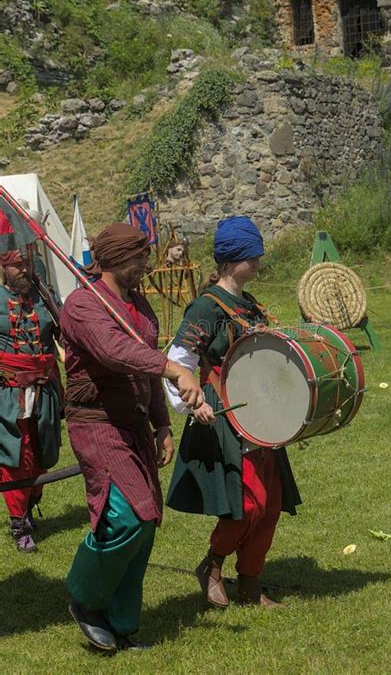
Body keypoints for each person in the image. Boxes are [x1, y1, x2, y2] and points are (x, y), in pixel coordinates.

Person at [60, 222, 203, 653]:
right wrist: (175, 368)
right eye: (138, 257)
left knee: (146, 523)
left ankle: (121, 623)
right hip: (96, 423)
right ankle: (85, 600)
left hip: (136, 423)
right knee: (127, 517)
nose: (145, 264)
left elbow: (145, 369)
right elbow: (113, 351)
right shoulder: (82, 306)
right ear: (114, 260)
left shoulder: (140, 306)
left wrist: (162, 424)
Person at [165, 216, 301, 608]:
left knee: (271, 503)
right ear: (230, 259)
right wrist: (195, 403)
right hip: (227, 410)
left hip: (262, 410)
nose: (258, 262)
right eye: (251, 256)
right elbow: (176, 362)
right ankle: (212, 565)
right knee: (247, 504)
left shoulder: (249, 304)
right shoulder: (206, 308)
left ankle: (251, 583)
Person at [0, 227, 62, 553]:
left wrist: (54, 304)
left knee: (43, 454)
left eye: (27, 263)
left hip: (46, 391)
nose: (24, 269)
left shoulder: (45, 297)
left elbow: (67, 333)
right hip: (9, 394)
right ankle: (18, 522)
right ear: (4, 268)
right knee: (15, 457)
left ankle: (30, 504)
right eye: (16, 265)